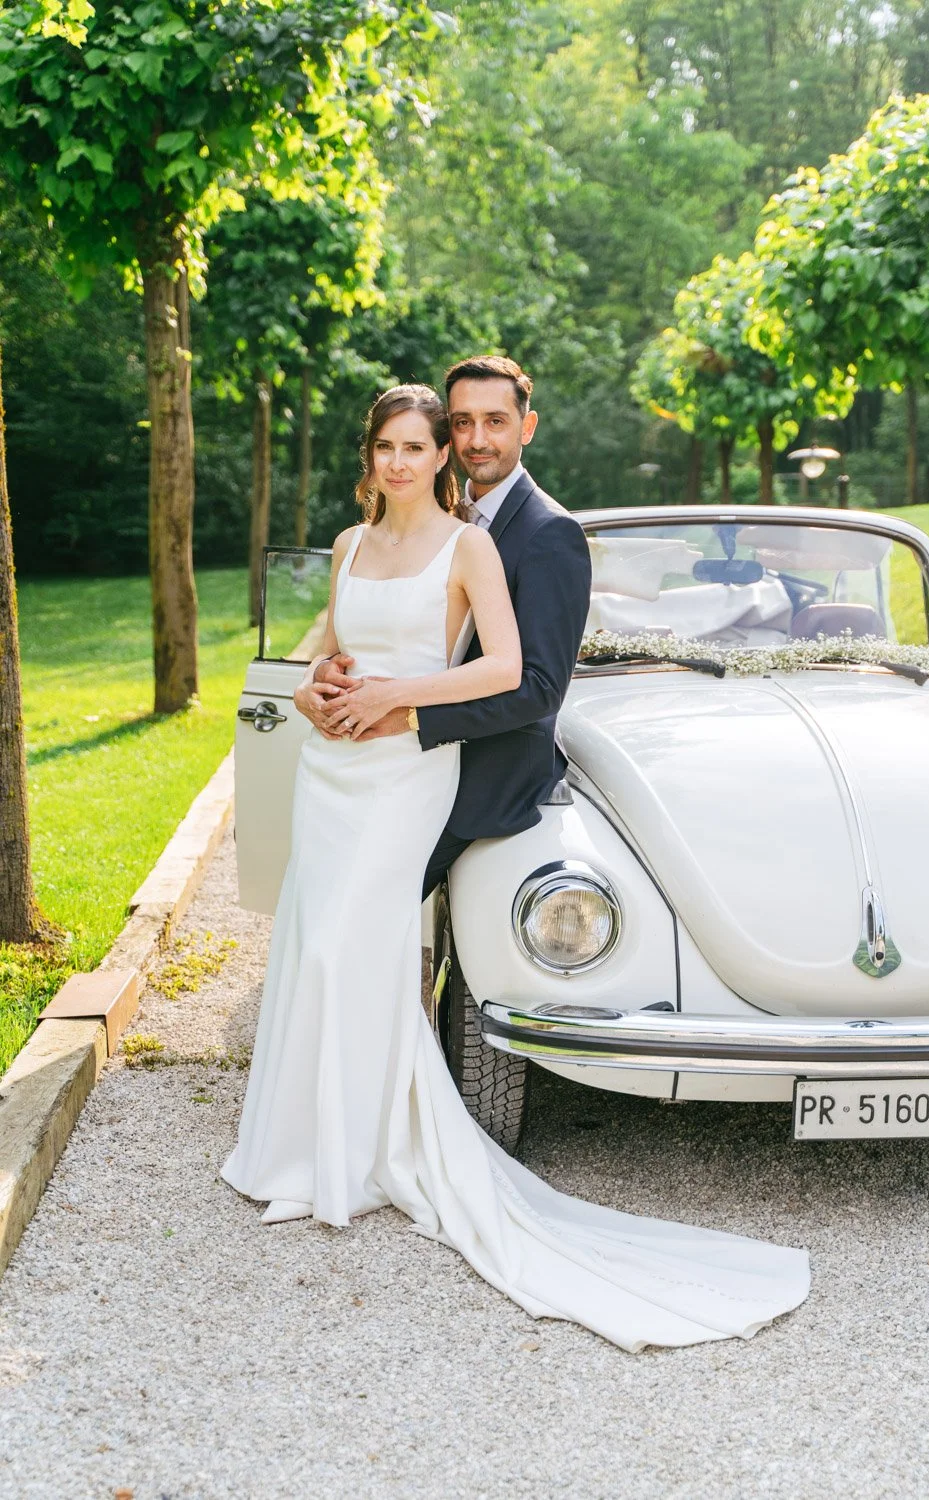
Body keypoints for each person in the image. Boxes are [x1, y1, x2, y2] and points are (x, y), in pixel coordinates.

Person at [220, 380, 810, 1352]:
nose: (413, 457)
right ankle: (294, 1144)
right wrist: (324, 681)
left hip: (416, 769)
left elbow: (525, 680)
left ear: (458, 450)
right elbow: (334, 639)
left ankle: (365, 1148)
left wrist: (399, 702)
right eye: (396, 444)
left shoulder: (501, 539)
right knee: (311, 941)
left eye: (429, 442)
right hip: (338, 764)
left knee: (349, 949)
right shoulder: (349, 546)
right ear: (372, 455)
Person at [300, 356, 592, 903]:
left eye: (496, 421)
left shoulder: (550, 533)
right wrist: (318, 678)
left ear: (527, 427)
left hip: (484, 780)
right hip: (391, 762)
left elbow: (539, 689)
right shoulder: (448, 523)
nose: (477, 439)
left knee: (369, 908)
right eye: (462, 422)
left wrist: (408, 717)